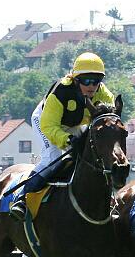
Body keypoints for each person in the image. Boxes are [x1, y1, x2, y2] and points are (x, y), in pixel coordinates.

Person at [10, 52, 115, 220]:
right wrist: (67, 140)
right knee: (52, 158)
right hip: (46, 121)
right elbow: (49, 126)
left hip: (75, 124)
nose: (92, 86)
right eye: (87, 80)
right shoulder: (61, 91)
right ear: (75, 79)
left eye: (96, 81)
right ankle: (22, 197)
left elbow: (108, 120)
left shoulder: (104, 94)